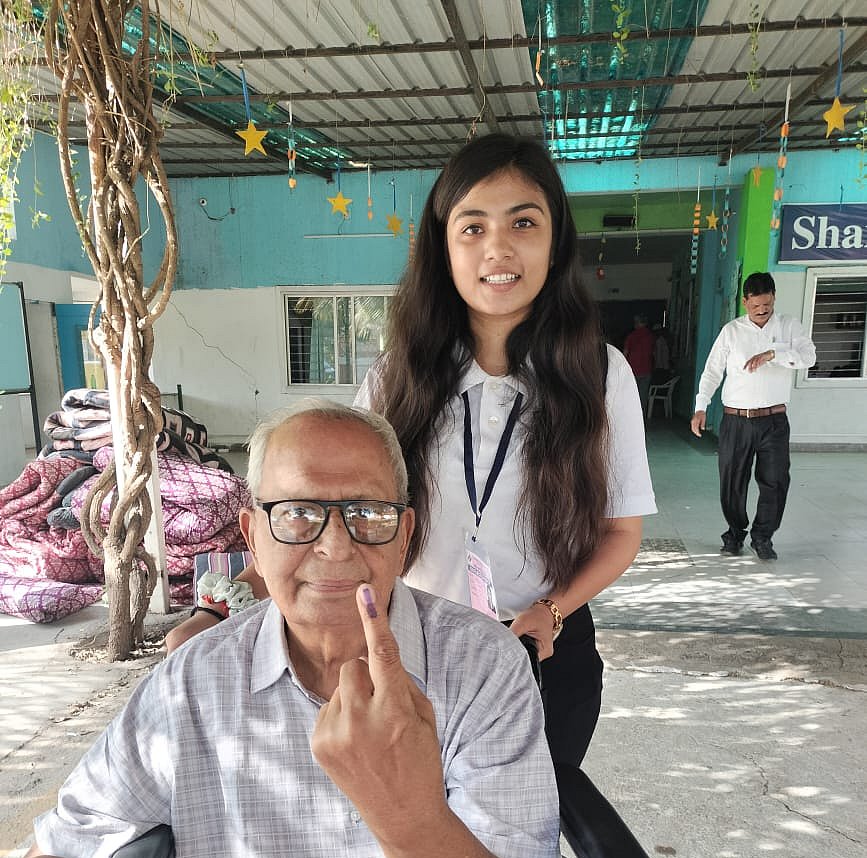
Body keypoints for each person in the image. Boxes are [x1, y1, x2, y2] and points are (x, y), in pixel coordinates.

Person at [1, 402, 683, 858]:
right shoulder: (190, 690)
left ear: (406, 535)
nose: (334, 546)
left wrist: (403, 806)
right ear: (252, 539)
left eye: (366, 512)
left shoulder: (482, 666)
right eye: (297, 514)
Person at [168, 133, 654, 771]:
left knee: (530, 831)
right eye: (472, 227)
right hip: (413, 644)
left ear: (555, 241)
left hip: (544, 645)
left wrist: (551, 610)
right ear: (444, 248)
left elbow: (621, 531)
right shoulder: (398, 376)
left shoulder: (600, 372)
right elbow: (331, 507)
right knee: (417, 832)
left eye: (523, 223)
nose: (498, 249)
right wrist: (221, 601)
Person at [690, 272, 816, 561]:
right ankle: (735, 532)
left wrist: (774, 353)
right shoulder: (731, 331)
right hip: (736, 420)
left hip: (773, 420)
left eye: (767, 305)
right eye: (756, 305)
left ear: (774, 299)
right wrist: (701, 407)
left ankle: (763, 537)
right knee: (732, 480)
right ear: (745, 301)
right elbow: (712, 372)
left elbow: (809, 357)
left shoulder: (788, 326)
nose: (761, 311)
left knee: (775, 480)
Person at [623, 314, 655, 411]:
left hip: (632, 370)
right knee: (643, 395)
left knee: (631, 395)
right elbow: (654, 353)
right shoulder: (651, 336)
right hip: (646, 369)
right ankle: (641, 417)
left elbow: (625, 353)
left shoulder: (631, 336)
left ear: (638, 323)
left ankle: (631, 414)